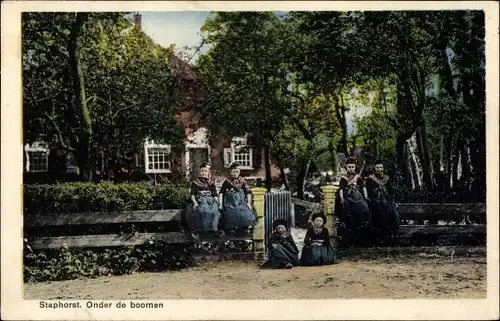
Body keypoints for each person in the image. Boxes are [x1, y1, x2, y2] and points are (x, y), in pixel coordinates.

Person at [335, 157, 373, 246]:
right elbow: (341, 189)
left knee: (364, 207)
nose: (351, 168)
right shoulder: (344, 178)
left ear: (355, 167)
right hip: (348, 197)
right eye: (349, 167)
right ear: (346, 168)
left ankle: (365, 225)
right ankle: (345, 223)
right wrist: (342, 199)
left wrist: (365, 197)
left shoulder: (358, 177)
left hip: (357, 196)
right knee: (346, 208)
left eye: (352, 167)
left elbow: (363, 187)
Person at [365, 159, 400, 245]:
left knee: (393, 213)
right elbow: (369, 192)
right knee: (378, 214)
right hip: (375, 201)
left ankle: (391, 234)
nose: (379, 169)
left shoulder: (386, 178)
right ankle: (380, 236)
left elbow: (391, 191)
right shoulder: (370, 179)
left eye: (381, 167)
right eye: (377, 167)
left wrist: (392, 200)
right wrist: (377, 191)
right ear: (374, 168)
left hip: (387, 200)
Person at [185, 162, 222, 235]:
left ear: (208, 172)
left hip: (210, 200)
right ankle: (203, 229)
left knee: (215, 211)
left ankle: (213, 229)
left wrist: (218, 203)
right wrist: (195, 203)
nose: (204, 172)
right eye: (202, 170)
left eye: (206, 171)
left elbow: (214, 194)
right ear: (200, 171)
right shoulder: (195, 182)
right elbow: (192, 194)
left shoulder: (211, 183)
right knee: (203, 211)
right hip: (200, 200)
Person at [219, 162, 257, 232]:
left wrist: (248, 202)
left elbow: (248, 192)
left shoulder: (242, 181)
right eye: (233, 172)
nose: (235, 173)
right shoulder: (227, 181)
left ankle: (244, 227)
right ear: (230, 172)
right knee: (231, 212)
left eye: (237, 172)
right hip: (230, 202)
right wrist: (220, 204)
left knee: (244, 211)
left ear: (239, 172)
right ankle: (232, 228)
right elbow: (221, 192)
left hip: (240, 201)